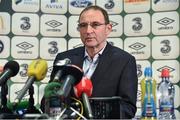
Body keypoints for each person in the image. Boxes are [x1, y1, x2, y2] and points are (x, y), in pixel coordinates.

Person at [43, 5, 138, 119]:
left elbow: (128, 108)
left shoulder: (124, 61)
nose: (88, 31)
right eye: (83, 25)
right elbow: (46, 103)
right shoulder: (64, 58)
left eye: (95, 25)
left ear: (108, 29)